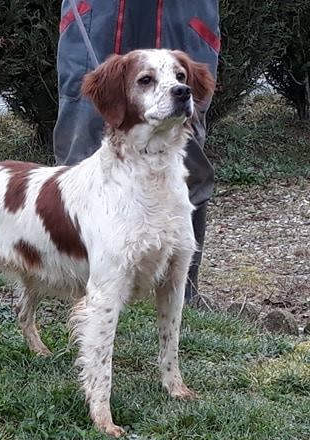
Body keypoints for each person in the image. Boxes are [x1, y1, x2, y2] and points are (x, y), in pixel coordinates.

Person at [54, 0, 220, 303]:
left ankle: (183, 295)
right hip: (100, 14)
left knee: (186, 158)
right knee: (80, 144)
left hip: (180, 15)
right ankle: (79, 287)